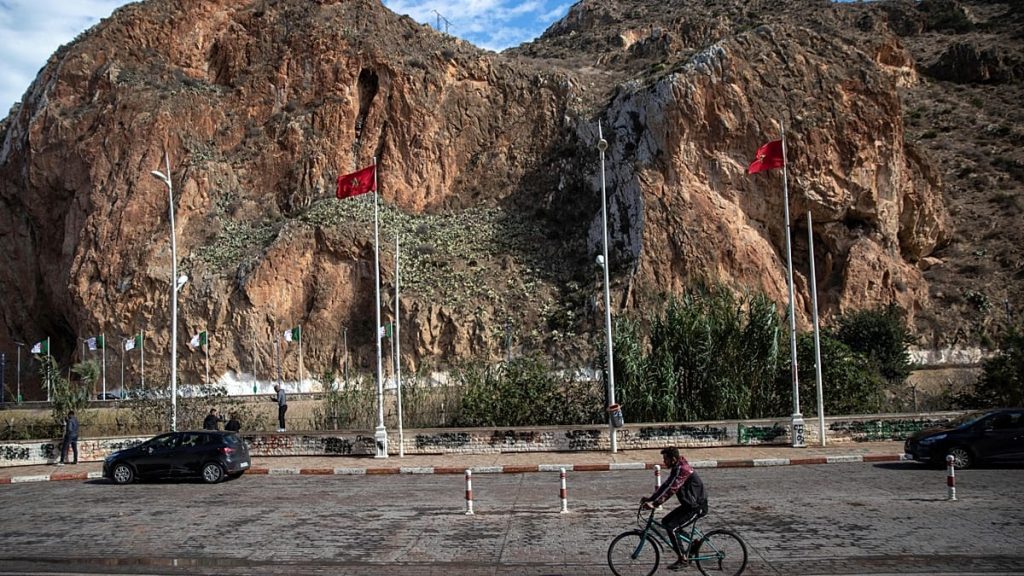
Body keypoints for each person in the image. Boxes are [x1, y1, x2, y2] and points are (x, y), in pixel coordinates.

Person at [641, 447, 708, 571]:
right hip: (688, 505)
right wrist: (651, 499)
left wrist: (655, 504)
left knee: (672, 528)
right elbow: (666, 486)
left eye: (665, 459)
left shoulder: (683, 469)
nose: (664, 462)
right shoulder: (677, 468)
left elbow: (672, 489)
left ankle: (683, 559)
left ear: (673, 459)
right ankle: (694, 544)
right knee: (666, 522)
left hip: (696, 507)